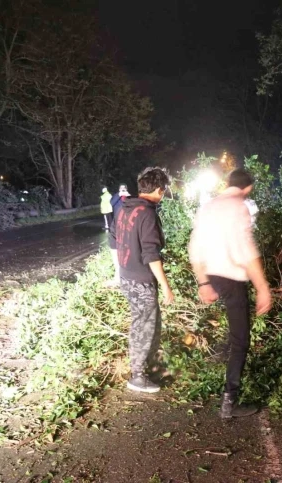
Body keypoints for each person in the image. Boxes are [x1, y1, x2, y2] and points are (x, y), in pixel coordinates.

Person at [189, 168, 272, 419]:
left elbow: (194, 248)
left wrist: (204, 283)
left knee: (235, 335)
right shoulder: (239, 207)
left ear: (228, 183)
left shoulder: (209, 206)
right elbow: (246, 251)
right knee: (240, 341)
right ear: (247, 188)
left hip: (214, 276)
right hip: (232, 279)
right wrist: (263, 288)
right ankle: (229, 402)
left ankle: (227, 385)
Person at [115, 168, 174, 393]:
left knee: (147, 324)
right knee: (145, 327)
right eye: (163, 191)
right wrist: (166, 287)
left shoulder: (124, 208)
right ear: (159, 190)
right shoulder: (147, 213)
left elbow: (114, 240)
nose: (163, 195)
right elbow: (151, 254)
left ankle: (145, 369)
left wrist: (116, 273)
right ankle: (138, 376)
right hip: (141, 280)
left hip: (127, 277)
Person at [104, 185, 131, 288]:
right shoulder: (116, 196)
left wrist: (128, 196)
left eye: (124, 188)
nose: (123, 190)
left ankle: (125, 272)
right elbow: (110, 204)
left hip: (127, 223)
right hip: (117, 222)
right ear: (119, 189)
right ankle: (119, 274)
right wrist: (119, 195)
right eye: (121, 189)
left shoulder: (128, 196)